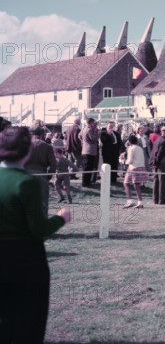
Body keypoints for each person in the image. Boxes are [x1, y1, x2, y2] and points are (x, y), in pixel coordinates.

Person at [0, 126, 71, 344]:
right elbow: (38, 229)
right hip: (25, 258)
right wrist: (61, 218)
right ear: (27, 152)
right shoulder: (27, 182)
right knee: (28, 320)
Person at [25, 126, 57, 217]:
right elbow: (53, 165)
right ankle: (42, 226)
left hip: (26, 175)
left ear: (30, 134)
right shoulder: (47, 146)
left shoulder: (24, 145)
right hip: (41, 175)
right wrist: (48, 176)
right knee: (43, 203)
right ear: (42, 134)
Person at [149, 126, 165, 205]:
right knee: (163, 182)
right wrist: (156, 163)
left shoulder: (158, 140)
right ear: (163, 132)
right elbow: (160, 154)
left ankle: (155, 199)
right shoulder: (164, 141)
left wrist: (153, 163)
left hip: (156, 163)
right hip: (162, 164)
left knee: (156, 182)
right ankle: (162, 200)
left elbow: (153, 152)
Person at [80, 118, 100, 187]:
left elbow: (79, 136)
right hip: (90, 151)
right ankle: (86, 183)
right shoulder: (89, 129)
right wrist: (98, 133)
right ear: (91, 123)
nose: (94, 124)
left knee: (85, 168)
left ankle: (85, 182)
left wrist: (84, 141)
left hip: (85, 150)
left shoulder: (83, 128)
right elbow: (93, 139)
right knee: (88, 168)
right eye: (93, 123)